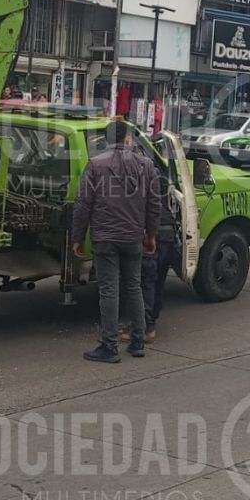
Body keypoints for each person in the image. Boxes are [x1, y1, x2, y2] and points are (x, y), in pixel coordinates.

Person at [72, 120, 160, 363]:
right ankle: (138, 342)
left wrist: (77, 237)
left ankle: (109, 346)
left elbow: (82, 205)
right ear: (128, 140)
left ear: (105, 140)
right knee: (134, 287)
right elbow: (154, 204)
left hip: (105, 239)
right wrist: (150, 235)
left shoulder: (95, 165)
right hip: (134, 238)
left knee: (109, 290)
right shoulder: (146, 165)